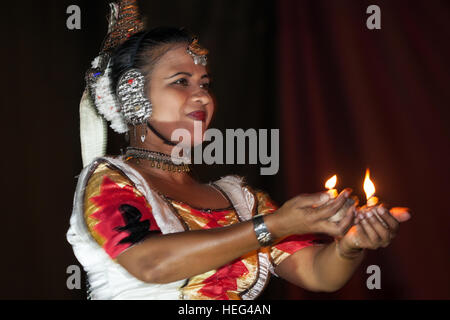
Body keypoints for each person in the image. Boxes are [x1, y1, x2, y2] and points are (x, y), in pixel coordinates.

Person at [67, 0, 411, 300]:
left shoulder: (241, 199)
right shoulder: (110, 181)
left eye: (205, 84)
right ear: (133, 95)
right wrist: (273, 226)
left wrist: (350, 245)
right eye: (181, 82)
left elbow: (317, 274)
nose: (201, 95)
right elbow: (151, 263)